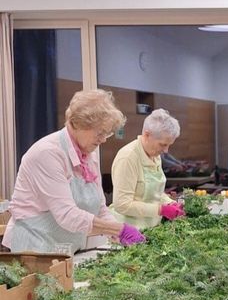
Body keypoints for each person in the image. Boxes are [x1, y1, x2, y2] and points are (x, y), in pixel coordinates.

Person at [4, 90, 144, 255]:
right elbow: (67, 215)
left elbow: (100, 208)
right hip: (33, 249)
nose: (104, 139)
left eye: (107, 133)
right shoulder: (48, 153)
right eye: (100, 133)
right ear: (78, 124)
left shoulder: (89, 156)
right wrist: (119, 229)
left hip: (64, 248)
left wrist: (116, 234)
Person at [108, 110, 186, 231]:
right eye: (163, 144)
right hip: (128, 231)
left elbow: (154, 194)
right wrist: (161, 210)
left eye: (168, 145)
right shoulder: (128, 157)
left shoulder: (155, 155)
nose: (166, 151)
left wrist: (170, 203)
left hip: (150, 227)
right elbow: (122, 205)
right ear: (147, 134)